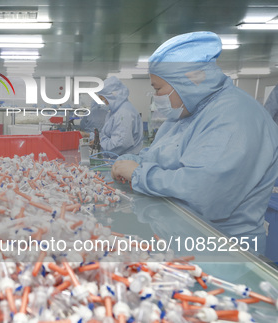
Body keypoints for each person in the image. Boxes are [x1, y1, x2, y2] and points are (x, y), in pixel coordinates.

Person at [112, 31, 278, 255]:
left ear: (188, 82)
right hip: (184, 240)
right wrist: (131, 161)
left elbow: (204, 192)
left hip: (224, 252)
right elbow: (158, 155)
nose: (156, 97)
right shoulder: (185, 113)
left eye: (158, 89)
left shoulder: (236, 116)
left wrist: (140, 174)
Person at [92, 76, 143, 155]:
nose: (103, 102)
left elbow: (118, 144)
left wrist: (99, 143)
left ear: (112, 96)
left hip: (125, 161)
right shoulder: (114, 112)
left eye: (103, 99)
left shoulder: (124, 113)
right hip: (118, 159)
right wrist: (97, 140)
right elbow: (107, 135)